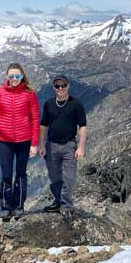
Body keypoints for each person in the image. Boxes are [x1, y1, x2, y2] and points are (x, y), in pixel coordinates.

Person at [0, 62, 40, 220]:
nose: (14, 78)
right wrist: (1, 126)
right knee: (6, 174)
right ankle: (6, 207)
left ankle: (18, 206)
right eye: (11, 76)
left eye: (17, 76)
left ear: (22, 76)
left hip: (24, 140)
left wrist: (34, 143)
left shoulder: (29, 93)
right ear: (7, 76)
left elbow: (35, 118)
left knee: (20, 173)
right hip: (5, 141)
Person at [39, 75, 87, 220]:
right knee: (54, 176)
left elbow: (82, 126)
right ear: (54, 87)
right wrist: (41, 145)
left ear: (68, 86)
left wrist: (81, 147)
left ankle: (66, 205)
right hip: (51, 145)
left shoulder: (76, 104)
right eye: (57, 86)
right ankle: (58, 201)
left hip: (69, 145)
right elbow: (43, 125)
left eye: (63, 85)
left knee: (69, 177)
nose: (60, 88)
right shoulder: (48, 104)